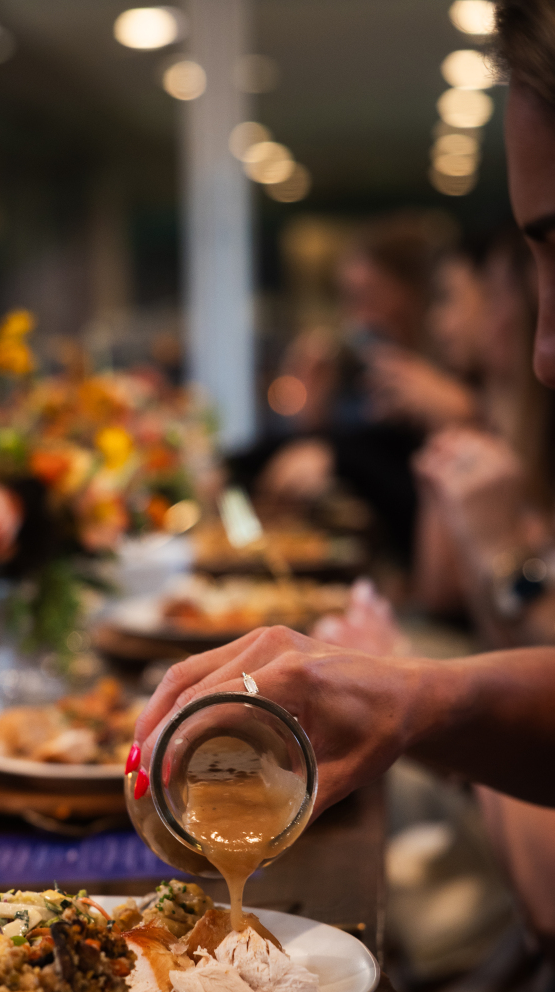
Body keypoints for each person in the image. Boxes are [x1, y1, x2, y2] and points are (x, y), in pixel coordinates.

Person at [131, 0, 555, 823]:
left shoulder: (465, 410)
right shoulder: (447, 406)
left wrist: (418, 692)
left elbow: (544, 887)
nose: (542, 351)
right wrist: (413, 690)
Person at [258, 212, 470, 562]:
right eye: (349, 298)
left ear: (415, 293)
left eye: (367, 295)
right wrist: (314, 418)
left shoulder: (451, 380)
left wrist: (332, 455)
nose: (355, 318)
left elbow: (402, 490)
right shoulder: (369, 373)